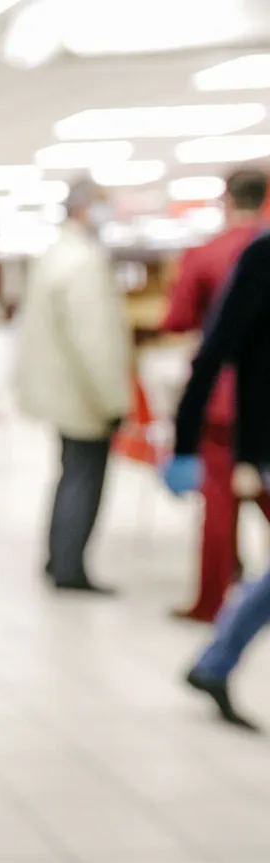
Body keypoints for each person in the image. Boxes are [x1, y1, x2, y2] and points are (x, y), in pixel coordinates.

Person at [165, 224, 270, 730]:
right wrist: (184, 441)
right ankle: (215, 661)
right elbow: (216, 346)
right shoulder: (262, 255)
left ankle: (215, 663)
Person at [15, 178, 133, 594]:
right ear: (85, 208)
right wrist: (114, 401)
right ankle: (69, 567)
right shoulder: (83, 263)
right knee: (84, 479)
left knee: (70, 475)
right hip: (83, 395)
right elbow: (95, 342)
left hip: (61, 391)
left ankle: (59, 559)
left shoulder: (55, 256)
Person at [162, 169, 270, 622]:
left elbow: (178, 319)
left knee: (220, 505)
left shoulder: (205, 255)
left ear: (226, 200)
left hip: (223, 399)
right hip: (263, 399)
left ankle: (211, 602)